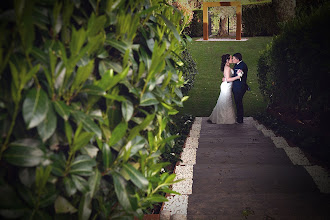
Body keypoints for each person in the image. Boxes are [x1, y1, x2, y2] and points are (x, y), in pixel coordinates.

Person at [208, 54, 241, 124]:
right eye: (231, 58)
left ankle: (224, 118)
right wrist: (237, 77)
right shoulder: (227, 68)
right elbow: (228, 79)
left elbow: (226, 77)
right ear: (227, 60)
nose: (232, 59)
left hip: (227, 86)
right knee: (226, 101)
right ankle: (225, 120)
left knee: (225, 101)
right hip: (227, 86)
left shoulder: (227, 67)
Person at [231, 53, 248, 124]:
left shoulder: (242, 66)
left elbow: (240, 76)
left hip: (240, 87)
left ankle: (240, 119)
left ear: (238, 59)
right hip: (236, 86)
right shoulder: (237, 65)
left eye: (234, 58)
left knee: (239, 102)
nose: (232, 60)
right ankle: (239, 117)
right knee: (237, 102)